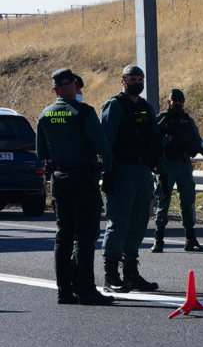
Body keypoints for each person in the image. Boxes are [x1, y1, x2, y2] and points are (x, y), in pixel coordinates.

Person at [35, 68, 114, 305]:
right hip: (82, 177)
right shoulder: (84, 112)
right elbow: (102, 147)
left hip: (58, 178)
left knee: (63, 235)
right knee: (85, 236)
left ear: (54, 89)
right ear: (76, 86)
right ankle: (86, 290)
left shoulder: (45, 114)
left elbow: (41, 152)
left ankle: (64, 292)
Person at [99, 64, 168, 293]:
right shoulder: (114, 106)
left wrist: (161, 171)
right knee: (119, 222)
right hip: (121, 171)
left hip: (143, 172)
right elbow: (106, 142)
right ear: (123, 81)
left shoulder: (147, 108)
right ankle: (111, 276)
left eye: (140, 78)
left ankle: (131, 273)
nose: (137, 82)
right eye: (133, 78)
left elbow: (155, 142)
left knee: (139, 223)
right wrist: (106, 173)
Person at [151, 89, 203, 253]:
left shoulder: (188, 121)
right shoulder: (161, 120)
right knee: (163, 199)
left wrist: (192, 147)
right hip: (167, 163)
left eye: (181, 104)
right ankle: (158, 239)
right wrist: (167, 140)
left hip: (184, 164)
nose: (178, 107)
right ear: (169, 103)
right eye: (175, 103)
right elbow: (151, 140)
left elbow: (197, 140)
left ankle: (190, 239)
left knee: (188, 200)